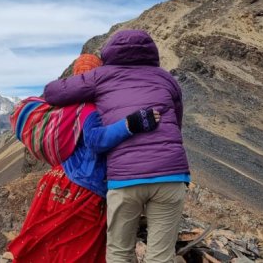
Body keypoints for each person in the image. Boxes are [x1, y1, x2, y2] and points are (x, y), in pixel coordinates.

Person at [43, 30, 190, 263]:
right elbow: (177, 122)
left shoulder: (101, 76)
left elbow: (52, 92)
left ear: (111, 52)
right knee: (161, 256)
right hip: (170, 175)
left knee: (119, 252)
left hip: (126, 179)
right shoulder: (165, 78)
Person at [8, 54, 161, 262]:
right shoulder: (91, 108)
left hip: (55, 179)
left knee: (47, 243)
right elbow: (96, 141)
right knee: (76, 249)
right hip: (82, 186)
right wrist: (131, 124)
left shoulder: (65, 106)